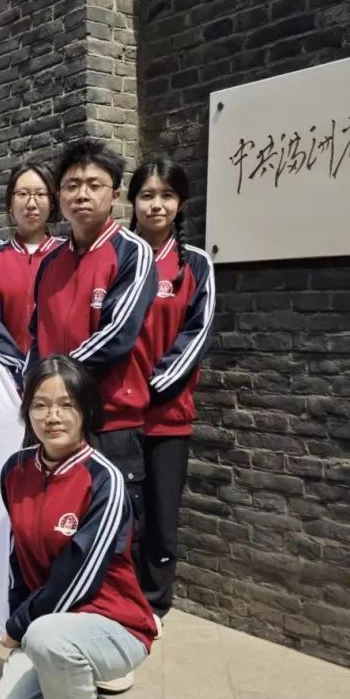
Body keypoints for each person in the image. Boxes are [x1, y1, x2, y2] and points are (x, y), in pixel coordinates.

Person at [0, 355, 156, 699]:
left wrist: (19, 626)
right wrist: (18, 616)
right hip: (43, 627)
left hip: (112, 623)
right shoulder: (14, 471)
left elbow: (80, 575)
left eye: (66, 404)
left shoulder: (104, 480)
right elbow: (16, 553)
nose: (53, 416)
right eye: (41, 405)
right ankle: (63, 676)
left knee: (47, 637)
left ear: (86, 410)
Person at [27, 141, 156, 690]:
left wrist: (55, 382)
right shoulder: (50, 261)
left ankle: (111, 645)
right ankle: (64, 637)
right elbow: (36, 338)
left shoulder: (132, 253)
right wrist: (35, 394)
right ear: (60, 195)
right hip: (55, 425)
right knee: (61, 533)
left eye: (94, 185)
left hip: (109, 423)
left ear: (114, 194)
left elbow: (119, 334)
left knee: (115, 538)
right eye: (73, 185)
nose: (82, 195)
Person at [127, 158, 215, 631]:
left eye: (166, 195)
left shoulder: (194, 263)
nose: (156, 205)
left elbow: (196, 334)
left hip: (167, 416)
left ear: (180, 203)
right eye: (146, 195)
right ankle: (119, 598)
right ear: (132, 202)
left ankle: (155, 604)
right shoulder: (117, 256)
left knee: (161, 517)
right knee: (122, 515)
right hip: (116, 416)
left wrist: (153, 387)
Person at [0, 162, 64, 380]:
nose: (31, 203)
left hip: (61, 380)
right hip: (7, 379)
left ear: (52, 202)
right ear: (10, 204)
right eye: (22, 194)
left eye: (40, 194)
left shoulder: (67, 253)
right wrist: (20, 368)